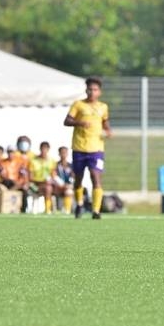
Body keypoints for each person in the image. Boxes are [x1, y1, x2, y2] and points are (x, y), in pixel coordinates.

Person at [64, 76, 112, 219]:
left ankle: (96, 211)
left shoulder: (103, 107)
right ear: (86, 90)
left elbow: (105, 122)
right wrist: (80, 123)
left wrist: (108, 131)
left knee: (95, 176)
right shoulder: (78, 105)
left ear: (100, 92)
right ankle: (79, 204)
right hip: (79, 147)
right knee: (78, 178)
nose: (92, 92)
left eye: (95, 90)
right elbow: (67, 121)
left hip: (96, 149)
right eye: (90, 89)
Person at [28, 141, 56, 214]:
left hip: (47, 185)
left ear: (48, 150)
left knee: (49, 188)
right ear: (40, 149)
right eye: (42, 149)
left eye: (46, 149)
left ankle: (48, 210)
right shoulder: (33, 160)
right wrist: (42, 181)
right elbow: (30, 178)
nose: (44, 151)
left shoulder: (52, 161)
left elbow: (53, 175)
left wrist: (50, 180)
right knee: (47, 188)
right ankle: (46, 209)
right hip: (34, 185)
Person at [53, 146, 75, 214]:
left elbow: (73, 177)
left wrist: (70, 184)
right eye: (62, 153)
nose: (63, 155)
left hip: (67, 187)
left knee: (69, 191)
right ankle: (52, 210)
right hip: (58, 187)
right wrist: (62, 184)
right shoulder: (56, 165)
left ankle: (67, 210)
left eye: (65, 153)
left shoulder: (71, 165)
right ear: (59, 154)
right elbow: (54, 176)